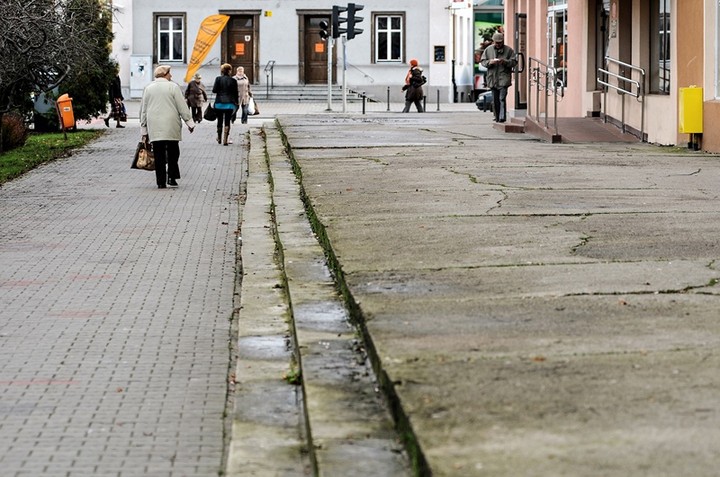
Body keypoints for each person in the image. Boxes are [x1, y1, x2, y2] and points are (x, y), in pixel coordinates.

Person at [139, 65, 195, 189]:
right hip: (171, 124)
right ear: (165, 74)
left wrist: (143, 129)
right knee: (173, 152)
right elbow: (182, 106)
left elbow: (143, 110)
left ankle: (160, 182)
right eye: (170, 73)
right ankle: (172, 177)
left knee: (158, 153)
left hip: (154, 125)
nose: (171, 75)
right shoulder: (173, 87)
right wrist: (189, 122)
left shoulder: (148, 88)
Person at [480, 32, 517, 123]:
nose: (498, 44)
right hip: (492, 79)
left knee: (502, 98)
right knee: (495, 100)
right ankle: (497, 117)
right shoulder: (488, 50)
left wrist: (504, 62)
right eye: (497, 43)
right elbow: (483, 61)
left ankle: (502, 117)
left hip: (503, 78)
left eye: (500, 42)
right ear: (493, 42)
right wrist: (490, 62)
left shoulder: (509, 50)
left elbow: (514, 62)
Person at [212, 63, 239, 145]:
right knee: (227, 121)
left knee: (219, 120)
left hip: (219, 103)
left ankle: (219, 138)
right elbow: (235, 93)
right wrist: (236, 103)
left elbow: (214, 90)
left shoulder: (218, 79)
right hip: (229, 104)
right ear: (229, 71)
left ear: (222, 71)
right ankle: (225, 140)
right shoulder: (233, 80)